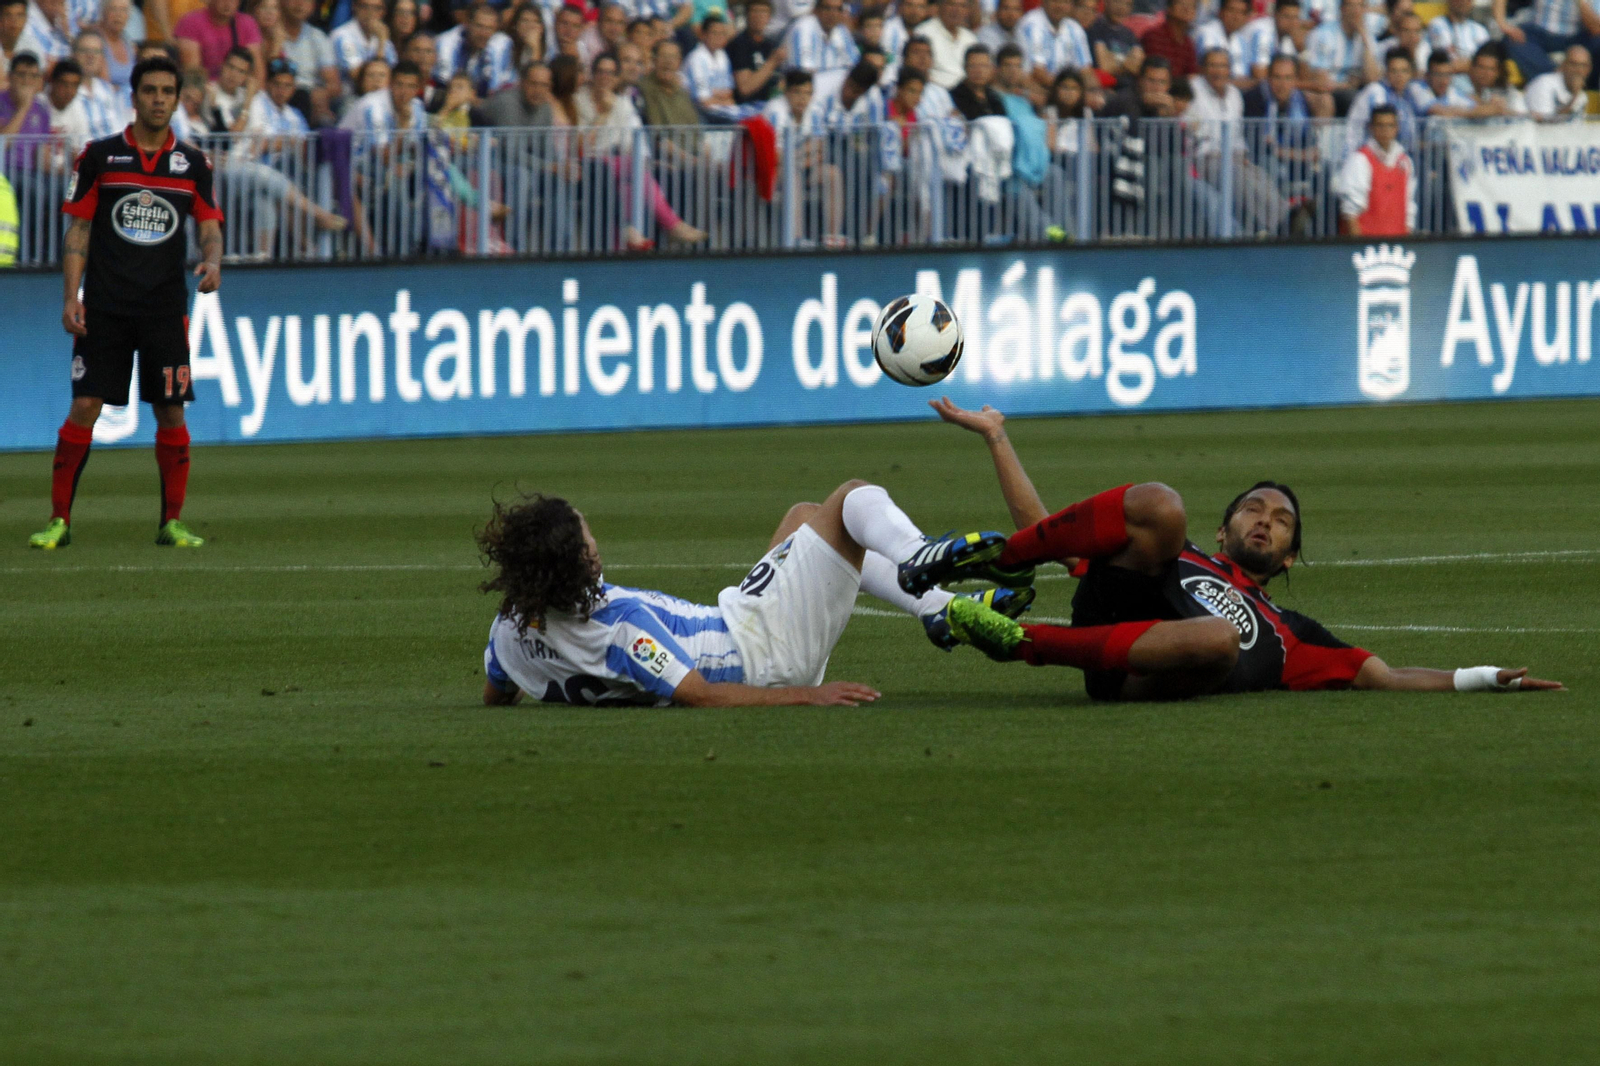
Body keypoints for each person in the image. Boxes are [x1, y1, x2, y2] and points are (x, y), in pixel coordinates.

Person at [916, 398, 1563, 700]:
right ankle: (1001, 564)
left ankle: (1015, 639)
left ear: (1287, 559)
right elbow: (1056, 533)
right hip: (1112, 618)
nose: (1265, 521)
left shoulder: (1293, 636)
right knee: (1162, 507)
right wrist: (997, 437)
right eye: (1252, 508)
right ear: (1223, 532)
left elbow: (1387, 677)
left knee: (1220, 639)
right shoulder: (1191, 554)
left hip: (1145, 678)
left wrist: (1482, 678)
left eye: (1282, 521)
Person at [476, 483, 1029, 707]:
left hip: (740, 621)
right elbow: (698, 695)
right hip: (762, 655)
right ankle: (917, 557)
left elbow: (498, 690)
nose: (594, 539)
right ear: (580, 559)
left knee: (802, 520)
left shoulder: (513, 627)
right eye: (586, 533)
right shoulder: (621, 626)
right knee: (850, 500)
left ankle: (936, 610)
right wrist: (807, 696)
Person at [31, 56, 221, 550]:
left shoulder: (194, 164)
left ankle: (171, 522)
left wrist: (214, 260)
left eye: (167, 92)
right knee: (85, 404)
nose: (159, 99)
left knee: (171, 412)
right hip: (106, 308)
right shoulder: (99, 157)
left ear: (177, 100)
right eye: (150, 90)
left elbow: (208, 224)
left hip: (163, 309)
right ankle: (59, 521)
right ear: (133, 97)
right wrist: (71, 296)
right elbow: (79, 230)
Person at [1188, 45, 1286, 232]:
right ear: (1203, 68)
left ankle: (1286, 215)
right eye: (1213, 65)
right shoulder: (1193, 90)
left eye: (1223, 66)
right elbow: (1195, 134)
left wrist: (1241, 154)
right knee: (1238, 177)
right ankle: (1280, 226)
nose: (1218, 71)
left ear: (1230, 70)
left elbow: (1238, 135)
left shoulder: (1234, 95)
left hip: (1232, 156)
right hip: (1204, 159)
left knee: (1259, 175)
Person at [1338, 102, 1411, 234]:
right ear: (1371, 128)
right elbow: (1350, 213)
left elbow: (1409, 210)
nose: (1385, 130)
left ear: (1397, 128)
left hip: (1397, 249)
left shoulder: (1405, 163)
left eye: (1390, 125)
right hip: (1367, 249)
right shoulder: (1359, 160)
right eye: (1380, 125)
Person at [1496, 0, 1600, 90]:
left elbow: (1595, 28)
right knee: (1512, 40)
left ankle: (1585, 87)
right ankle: (1557, 79)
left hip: (1576, 35)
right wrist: (1504, 25)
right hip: (1539, 32)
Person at [1344, 45, 1425, 154]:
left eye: (1404, 71)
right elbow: (1382, 130)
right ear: (1386, 72)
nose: (1399, 76)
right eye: (1394, 71)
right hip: (1361, 154)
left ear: (1411, 74)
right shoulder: (1376, 91)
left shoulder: (1408, 95)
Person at [1305, 0, 1378, 114]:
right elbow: (1320, 79)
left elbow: (1373, 79)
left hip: (1355, 90)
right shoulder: (1324, 34)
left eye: (1360, 6)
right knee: (1348, 98)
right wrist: (1348, 85)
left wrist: (1364, 40)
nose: (1356, 11)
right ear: (1342, 9)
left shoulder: (1368, 37)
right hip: (1330, 91)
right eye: (1352, 6)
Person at [278, 0, 339, 123]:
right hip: (278, 93)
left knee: (326, 121)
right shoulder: (270, 32)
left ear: (313, 6)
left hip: (310, 99)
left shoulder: (318, 37)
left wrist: (323, 93)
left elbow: (334, 84)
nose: (299, 4)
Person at [434, 0, 512, 95]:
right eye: (479, 26)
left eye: (489, 28)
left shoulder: (502, 45)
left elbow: (497, 89)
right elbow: (444, 83)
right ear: (467, 24)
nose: (483, 33)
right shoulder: (446, 42)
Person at [70, 30, 131, 143]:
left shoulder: (109, 91)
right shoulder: (67, 93)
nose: (91, 56)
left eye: (96, 51)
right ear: (73, 55)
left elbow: (120, 129)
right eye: (85, 51)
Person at [174, 0, 263, 77]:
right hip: (206, 88)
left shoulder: (248, 23)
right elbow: (192, 71)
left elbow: (257, 70)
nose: (228, 3)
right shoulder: (190, 22)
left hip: (238, 89)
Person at [1192, 0, 1268, 88]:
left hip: (1235, 93)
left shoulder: (1240, 39)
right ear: (1221, 12)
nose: (1236, 17)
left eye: (1241, 12)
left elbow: (1244, 75)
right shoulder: (1206, 33)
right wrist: (1250, 83)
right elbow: (1212, 77)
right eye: (1232, 10)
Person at [330, 0, 397, 90]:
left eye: (376, 8)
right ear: (355, 7)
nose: (370, 13)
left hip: (379, 96)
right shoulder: (342, 36)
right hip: (349, 97)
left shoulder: (383, 39)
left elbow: (394, 74)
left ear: (383, 12)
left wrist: (382, 41)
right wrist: (381, 45)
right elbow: (357, 76)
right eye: (365, 6)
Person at [727, 0, 784, 106]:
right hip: (746, 107)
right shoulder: (739, 44)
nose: (759, 16)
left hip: (770, 106)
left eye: (764, 12)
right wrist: (772, 62)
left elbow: (779, 83)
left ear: (769, 18)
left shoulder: (770, 45)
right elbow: (745, 89)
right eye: (755, 11)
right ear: (746, 15)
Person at [1424, 0, 1486, 95]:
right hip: (1450, 86)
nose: (1463, 2)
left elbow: (1488, 65)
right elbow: (1447, 64)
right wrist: (1475, 66)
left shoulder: (1480, 30)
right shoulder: (1438, 25)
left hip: (1480, 86)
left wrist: (1470, 66)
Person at [914, 0, 977, 89]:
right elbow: (917, 70)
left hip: (966, 94)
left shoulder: (971, 39)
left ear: (968, 11)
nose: (956, 10)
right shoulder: (923, 32)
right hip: (934, 90)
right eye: (951, 4)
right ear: (940, 6)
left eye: (962, 6)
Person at [783, 0, 857, 75]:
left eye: (838, 9)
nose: (833, 14)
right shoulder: (803, 27)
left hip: (835, 81)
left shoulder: (841, 30)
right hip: (804, 82)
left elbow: (854, 63)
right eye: (828, 8)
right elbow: (803, 72)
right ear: (816, 10)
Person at [1524, 43, 1592, 120]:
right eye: (1574, 64)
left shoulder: (1582, 96)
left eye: (1584, 65)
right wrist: (1573, 99)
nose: (1579, 70)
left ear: (1589, 69)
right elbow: (1544, 125)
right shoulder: (1544, 84)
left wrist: (1576, 96)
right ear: (1563, 65)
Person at [1088, 0, 1143, 88]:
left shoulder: (1130, 35)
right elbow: (1105, 67)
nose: (1122, 8)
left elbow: (1138, 67)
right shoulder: (1094, 29)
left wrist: (1114, 63)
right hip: (1103, 88)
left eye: (1127, 4)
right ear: (1106, 2)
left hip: (1129, 89)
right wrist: (1127, 64)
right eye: (1117, 2)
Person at [1140, 0, 1198, 81]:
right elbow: (1155, 72)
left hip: (1178, 90)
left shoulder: (1188, 42)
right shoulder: (1154, 36)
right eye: (1182, 3)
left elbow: (1192, 75)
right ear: (1169, 8)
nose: (1187, 8)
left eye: (1192, 5)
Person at [99, 0, 139, 89]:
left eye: (123, 10)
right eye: (113, 9)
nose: (118, 15)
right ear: (103, 13)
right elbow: (104, 85)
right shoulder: (97, 42)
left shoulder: (128, 42)